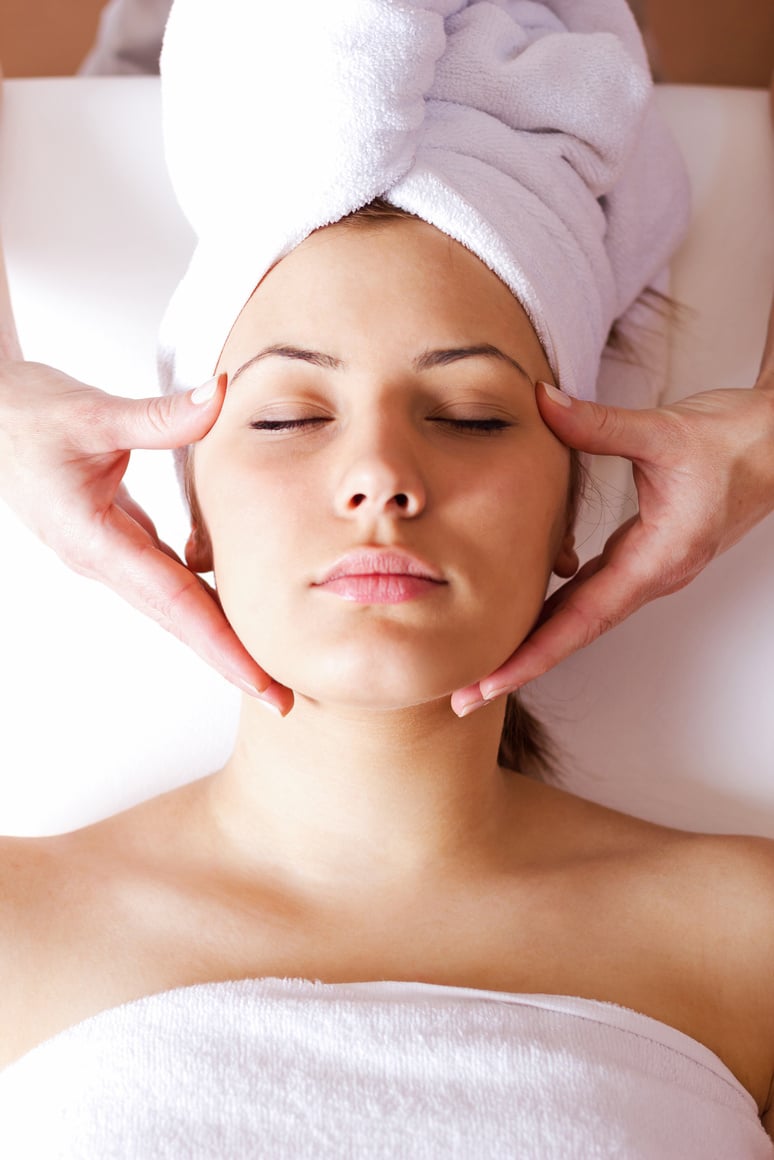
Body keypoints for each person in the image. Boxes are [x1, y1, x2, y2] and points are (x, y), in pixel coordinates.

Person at [1, 3, 774, 1154]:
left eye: (468, 415)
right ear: (188, 503)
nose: (377, 475)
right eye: (288, 414)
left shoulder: (747, 933)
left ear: (580, 506)